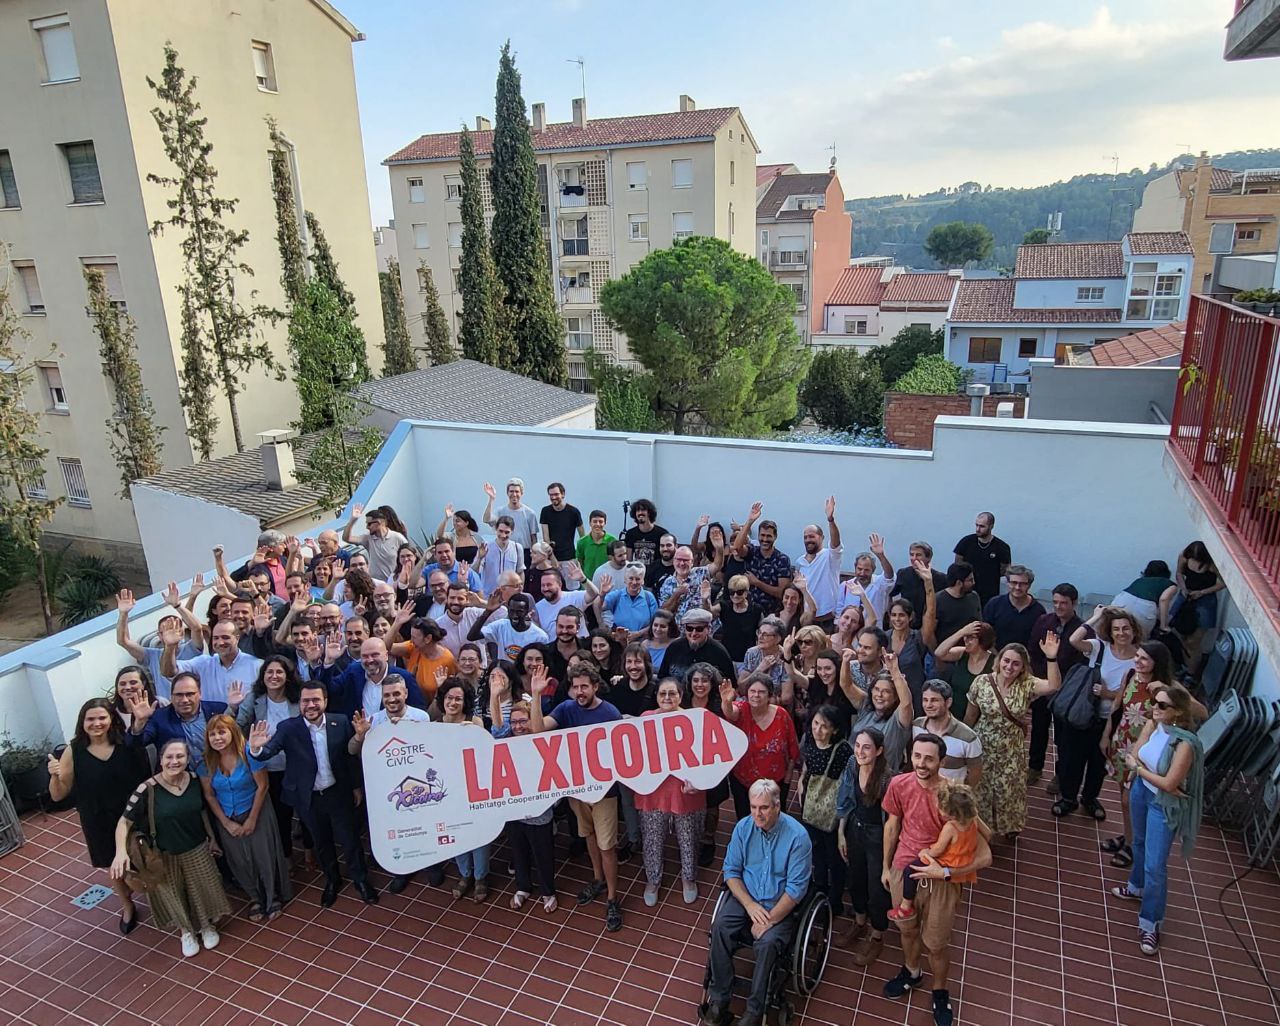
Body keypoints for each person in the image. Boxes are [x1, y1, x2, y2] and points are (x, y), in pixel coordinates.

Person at [881, 734, 993, 1026]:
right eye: (917, 756)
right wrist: (886, 867)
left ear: (942, 762)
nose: (921, 763)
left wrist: (945, 872)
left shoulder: (954, 794)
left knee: (937, 945)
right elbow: (892, 826)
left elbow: (985, 851)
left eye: (929, 758)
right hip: (904, 870)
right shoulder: (898, 784)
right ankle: (912, 972)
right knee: (907, 931)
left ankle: (940, 991)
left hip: (941, 882)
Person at [248, 682, 378, 906]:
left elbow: (350, 758)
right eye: (306, 700)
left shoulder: (341, 721)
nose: (311, 705)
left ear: (325, 702)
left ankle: (361, 880)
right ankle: (332, 881)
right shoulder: (288, 728)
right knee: (321, 843)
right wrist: (257, 748)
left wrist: (356, 785)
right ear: (300, 703)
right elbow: (268, 752)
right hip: (309, 798)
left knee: (350, 841)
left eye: (315, 700)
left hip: (338, 793)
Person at [703, 779, 812, 1026]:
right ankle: (719, 997)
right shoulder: (743, 827)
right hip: (747, 897)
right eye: (753, 807)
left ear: (777, 806)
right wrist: (750, 905)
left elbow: (796, 890)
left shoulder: (798, 838)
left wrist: (770, 919)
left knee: (767, 943)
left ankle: (755, 1009)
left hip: (779, 903)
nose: (757, 814)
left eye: (763, 808)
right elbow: (730, 871)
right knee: (720, 926)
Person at [111, 739, 231, 958]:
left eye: (180, 757)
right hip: (163, 853)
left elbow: (203, 812)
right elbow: (124, 822)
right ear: (161, 760)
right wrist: (120, 852)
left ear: (187, 759)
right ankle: (186, 931)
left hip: (196, 847)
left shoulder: (194, 780)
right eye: (169, 757)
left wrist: (212, 838)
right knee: (172, 892)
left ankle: (206, 926)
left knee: (202, 887)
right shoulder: (146, 790)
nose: (174, 761)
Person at [1111, 682, 1204, 956]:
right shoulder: (1154, 725)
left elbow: (1169, 782)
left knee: (1156, 864)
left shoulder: (1184, 743)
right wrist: (1142, 769)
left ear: (1177, 712)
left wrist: (1140, 769)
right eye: (1155, 703)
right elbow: (1135, 754)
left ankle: (1150, 922)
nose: (1155, 709)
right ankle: (1135, 886)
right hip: (1142, 791)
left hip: (1163, 804)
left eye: (1162, 705)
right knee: (1138, 842)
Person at [531, 664, 625, 932]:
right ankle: (597, 879)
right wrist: (536, 695)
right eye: (575, 687)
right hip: (576, 790)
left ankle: (612, 898)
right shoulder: (565, 708)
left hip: (605, 792)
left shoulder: (610, 713)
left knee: (607, 846)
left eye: (585, 686)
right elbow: (537, 731)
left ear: (595, 686)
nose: (579, 692)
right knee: (589, 836)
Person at [47, 699, 150, 934]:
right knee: (114, 866)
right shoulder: (74, 750)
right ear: (82, 723)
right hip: (98, 819)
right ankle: (127, 905)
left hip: (133, 814)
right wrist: (54, 776)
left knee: (146, 856)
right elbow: (58, 795)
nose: (96, 723)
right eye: (90, 719)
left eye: (101, 718)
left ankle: (157, 895)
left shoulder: (126, 742)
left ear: (111, 719)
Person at [966, 638, 1062, 842]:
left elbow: (1054, 686)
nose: (1009, 666)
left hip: (1011, 749)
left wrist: (1051, 658)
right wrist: (965, 742)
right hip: (983, 745)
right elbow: (971, 715)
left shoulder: (1027, 684)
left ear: (1022, 667)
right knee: (981, 788)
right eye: (1006, 661)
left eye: (1015, 663)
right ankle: (982, 830)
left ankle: (1007, 826)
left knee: (1007, 791)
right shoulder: (982, 682)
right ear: (999, 660)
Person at [200, 715, 291, 921]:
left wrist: (251, 819)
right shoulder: (206, 762)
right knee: (240, 860)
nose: (217, 738)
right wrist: (225, 822)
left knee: (263, 855)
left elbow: (263, 786)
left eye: (222, 732)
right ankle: (255, 897)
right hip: (227, 817)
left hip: (255, 810)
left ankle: (272, 896)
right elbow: (209, 795)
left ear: (233, 732)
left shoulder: (249, 753)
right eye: (212, 734)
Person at [1056, 606, 1141, 819]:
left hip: (1112, 720)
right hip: (1083, 714)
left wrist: (1108, 693)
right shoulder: (1099, 647)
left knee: (1099, 763)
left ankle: (1090, 798)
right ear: (1109, 632)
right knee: (1071, 758)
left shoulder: (1139, 658)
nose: (1121, 633)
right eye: (1116, 629)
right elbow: (1074, 640)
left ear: (1134, 630)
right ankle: (1068, 798)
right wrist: (1096, 617)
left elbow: (1133, 693)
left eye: (1126, 628)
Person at [349, 677, 430, 893]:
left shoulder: (421, 717)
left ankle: (431, 863)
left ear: (405, 694)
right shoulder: (373, 720)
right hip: (385, 787)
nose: (392, 699)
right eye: (387, 695)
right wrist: (359, 736)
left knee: (424, 823)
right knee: (396, 828)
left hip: (417, 783)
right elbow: (351, 750)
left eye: (396, 694)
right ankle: (401, 870)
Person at [637, 678, 704, 905]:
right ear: (656, 696)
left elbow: (706, 757)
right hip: (653, 789)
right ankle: (653, 879)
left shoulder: (694, 719)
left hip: (685, 788)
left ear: (681, 696)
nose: (667, 698)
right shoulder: (645, 719)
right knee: (652, 836)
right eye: (663, 693)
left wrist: (699, 782)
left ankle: (689, 878)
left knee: (688, 836)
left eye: (672, 693)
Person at [490, 699, 559, 913]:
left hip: (540, 812)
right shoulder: (505, 742)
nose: (518, 727)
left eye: (523, 721)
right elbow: (497, 728)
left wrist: (536, 694)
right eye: (514, 722)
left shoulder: (542, 743)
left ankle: (548, 891)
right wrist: (494, 696)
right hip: (514, 811)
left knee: (543, 854)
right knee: (518, 852)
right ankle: (523, 887)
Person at [836, 727, 892, 966]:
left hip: (878, 836)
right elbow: (845, 798)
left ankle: (877, 935)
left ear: (879, 751)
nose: (860, 751)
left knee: (877, 887)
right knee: (855, 878)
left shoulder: (887, 778)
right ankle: (859, 922)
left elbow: (891, 822)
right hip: (855, 829)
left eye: (866, 747)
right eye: (857, 745)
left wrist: (889, 860)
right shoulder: (852, 763)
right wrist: (841, 831)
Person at [888, 781, 982, 924]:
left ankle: (906, 906)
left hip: (946, 860)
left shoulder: (950, 827)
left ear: (951, 811)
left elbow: (938, 849)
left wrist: (925, 852)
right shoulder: (972, 822)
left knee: (909, 871)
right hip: (962, 859)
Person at [1026, 584, 1085, 787]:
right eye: (1056, 602)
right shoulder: (1044, 621)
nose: (1059, 607)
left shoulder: (1082, 628)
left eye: (1064, 603)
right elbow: (1032, 650)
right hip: (1043, 684)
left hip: (1067, 690)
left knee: (1063, 736)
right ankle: (1035, 767)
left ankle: (1060, 775)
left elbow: (1083, 662)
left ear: (1074, 603)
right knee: (1039, 728)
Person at [797, 705, 853, 917]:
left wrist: (842, 824)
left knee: (835, 859)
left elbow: (848, 786)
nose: (818, 730)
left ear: (835, 730)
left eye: (824, 726)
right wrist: (802, 780)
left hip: (832, 815)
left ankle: (835, 900)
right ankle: (819, 894)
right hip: (811, 809)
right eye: (816, 724)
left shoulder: (843, 751)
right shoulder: (810, 741)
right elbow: (807, 765)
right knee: (816, 854)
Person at [721, 673, 800, 821]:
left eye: (761, 692)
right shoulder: (742, 710)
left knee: (773, 821)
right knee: (746, 821)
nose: (756, 695)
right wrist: (726, 701)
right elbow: (730, 713)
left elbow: (792, 748)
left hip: (774, 784)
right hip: (743, 782)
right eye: (752, 691)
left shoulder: (781, 715)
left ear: (769, 695)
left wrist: (788, 781)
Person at [124, 672, 227, 776]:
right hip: (177, 781)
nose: (185, 700)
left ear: (200, 693)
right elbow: (134, 745)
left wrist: (235, 708)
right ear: (171, 696)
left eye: (190, 694)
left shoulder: (218, 710)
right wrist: (140, 723)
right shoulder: (159, 717)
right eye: (179, 695)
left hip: (218, 777)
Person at [839, 640, 914, 772]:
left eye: (886, 691)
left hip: (882, 780)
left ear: (895, 696)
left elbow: (906, 703)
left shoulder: (898, 720)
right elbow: (846, 685)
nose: (879, 695)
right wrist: (845, 662)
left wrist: (894, 671)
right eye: (877, 689)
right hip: (852, 774)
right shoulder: (866, 706)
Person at [685, 663, 732, 866]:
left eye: (704, 680)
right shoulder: (683, 702)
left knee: (711, 803)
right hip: (687, 761)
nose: (700, 684)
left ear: (712, 683)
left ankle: (708, 839)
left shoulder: (718, 705)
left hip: (713, 762)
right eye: (695, 680)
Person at [160, 619, 261, 706]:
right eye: (216, 638)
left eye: (225, 637)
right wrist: (170, 646)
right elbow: (169, 672)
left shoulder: (256, 665)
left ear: (237, 638)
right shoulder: (203, 663)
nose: (220, 642)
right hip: (212, 725)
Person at [886, 558, 938, 715]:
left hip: (914, 697)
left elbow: (930, 613)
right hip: (888, 697)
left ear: (910, 617)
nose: (897, 619)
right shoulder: (884, 637)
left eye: (901, 615)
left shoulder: (918, 638)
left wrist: (928, 583)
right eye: (893, 615)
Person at [1171, 541, 1225, 675]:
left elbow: (1222, 583)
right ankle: (1182, 665)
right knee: (1176, 631)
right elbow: (1179, 574)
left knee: (1194, 641)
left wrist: (1202, 592)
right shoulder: (1184, 556)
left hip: (1205, 599)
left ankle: (1191, 672)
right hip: (1187, 593)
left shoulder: (1212, 564)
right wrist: (1183, 588)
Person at [914, 681, 983, 785]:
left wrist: (959, 795)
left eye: (934, 700)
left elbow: (975, 774)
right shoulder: (916, 726)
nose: (928, 705)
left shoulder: (968, 737)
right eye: (925, 700)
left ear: (948, 702)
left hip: (950, 797)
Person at [731, 503, 793, 614]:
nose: (765, 539)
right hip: (748, 611)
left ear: (775, 537)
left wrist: (756, 582)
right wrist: (749, 521)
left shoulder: (782, 559)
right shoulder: (752, 551)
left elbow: (781, 593)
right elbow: (737, 547)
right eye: (762, 535)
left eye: (769, 536)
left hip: (771, 614)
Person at [930, 621, 995, 721]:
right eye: (965, 636)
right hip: (953, 716)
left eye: (971, 638)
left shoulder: (994, 663)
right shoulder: (962, 653)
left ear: (983, 640)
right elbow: (939, 653)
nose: (966, 640)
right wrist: (961, 632)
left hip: (979, 721)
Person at [794, 496, 843, 628]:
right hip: (807, 619)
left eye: (812, 536)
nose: (808, 540)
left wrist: (830, 520)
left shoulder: (830, 556)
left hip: (828, 619)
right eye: (805, 537)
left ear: (822, 537)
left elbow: (836, 542)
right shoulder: (800, 562)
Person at [931, 563, 981, 675]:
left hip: (970, 656)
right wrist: (938, 659)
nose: (973, 583)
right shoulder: (938, 601)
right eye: (970, 580)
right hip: (945, 657)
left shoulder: (973, 597)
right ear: (959, 583)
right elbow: (929, 634)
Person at [952, 513, 1012, 607]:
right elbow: (957, 565)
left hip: (989, 593)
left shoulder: (1002, 547)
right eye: (976, 525)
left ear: (991, 526)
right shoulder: (966, 542)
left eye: (982, 526)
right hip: (967, 591)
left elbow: (1005, 570)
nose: (978, 529)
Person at [980, 565, 1045, 650]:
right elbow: (985, 635)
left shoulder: (1039, 611)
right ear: (1008, 583)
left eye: (1022, 584)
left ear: (1029, 585)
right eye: (1014, 583)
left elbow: (1038, 642)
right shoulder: (994, 604)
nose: (1018, 587)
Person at [471, 592, 548, 663]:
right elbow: (472, 636)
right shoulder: (500, 626)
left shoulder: (540, 636)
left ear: (527, 611)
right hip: (503, 675)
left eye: (519, 612)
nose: (514, 615)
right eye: (512, 611)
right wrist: (488, 611)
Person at [664, 608, 735, 684]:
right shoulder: (674, 647)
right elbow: (663, 677)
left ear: (708, 629)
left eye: (699, 629)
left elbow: (731, 684)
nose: (694, 633)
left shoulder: (719, 651)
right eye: (689, 628)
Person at [886, 542, 946, 631]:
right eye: (911, 555)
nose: (914, 558)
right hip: (907, 625)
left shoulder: (941, 578)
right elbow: (890, 594)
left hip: (930, 627)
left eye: (918, 555)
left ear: (928, 558)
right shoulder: (903, 574)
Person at [1111, 559, 1178, 639]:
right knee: (1138, 640)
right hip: (1143, 608)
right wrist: (1163, 626)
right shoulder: (1170, 585)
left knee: (1115, 635)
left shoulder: (1139, 580)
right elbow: (1164, 600)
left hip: (1120, 601)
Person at [342, 503, 409, 581]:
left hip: (395, 582)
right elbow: (346, 538)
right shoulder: (368, 538)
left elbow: (410, 556)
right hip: (376, 584)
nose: (367, 527)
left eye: (369, 524)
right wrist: (353, 520)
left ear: (379, 523)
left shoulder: (398, 537)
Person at [837, 535, 894, 623]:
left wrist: (881, 556)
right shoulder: (845, 586)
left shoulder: (880, 583)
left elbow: (889, 576)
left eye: (867, 570)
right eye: (859, 569)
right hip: (850, 632)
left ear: (873, 570)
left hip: (873, 632)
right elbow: (839, 613)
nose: (862, 573)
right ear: (855, 568)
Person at [713, 573, 763, 665]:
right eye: (732, 592)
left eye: (739, 592)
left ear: (746, 592)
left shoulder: (756, 610)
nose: (735, 595)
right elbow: (709, 613)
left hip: (747, 660)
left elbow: (763, 632)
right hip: (727, 658)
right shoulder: (724, 606)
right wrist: (705, 599)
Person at [598, 563, 659, 638]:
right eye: (631, 578)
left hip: (642, 643)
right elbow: (600, 607)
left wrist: (638, 634)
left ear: (643, 581)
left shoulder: (649, 597)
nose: (634, 582)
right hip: (620, 641)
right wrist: (602, 595)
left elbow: (655, 623)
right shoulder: (617, 596)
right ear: (625, 579)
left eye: (637, 579)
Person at [478, 514, 525, 597]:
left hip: (509, 597)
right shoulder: (486, 547)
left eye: (507, 532)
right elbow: (475, 571)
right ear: (496, 530)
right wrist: (479, 558)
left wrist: (519, 591)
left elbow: (520, 571)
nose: (503, 535)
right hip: (489, 596)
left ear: (512, 532)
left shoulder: (517, 548)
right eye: (500, 531)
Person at [540, 481, 585, 562]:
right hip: (551, 558)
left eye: (556, 494)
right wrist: (552, 558)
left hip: (570, 558)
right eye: (551, 495)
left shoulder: (574, 512)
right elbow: (546, 538)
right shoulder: (545, 511)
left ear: (563, 494)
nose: (553, 497)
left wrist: (580, 558)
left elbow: (582, 537)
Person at [622, 498, 667, 579]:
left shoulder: (662, 533)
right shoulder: (630, 534)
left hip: (656, 576)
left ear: (649, 512)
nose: (640, 513)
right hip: (637, 576)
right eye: (637, 511)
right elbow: (628, 559)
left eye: (643, 510)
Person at [575, 509, 615, 581]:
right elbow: (579, 563)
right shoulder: (581, 542)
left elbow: (615, 562)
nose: (598, 524)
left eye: (601, 522)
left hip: (607, 580)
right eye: (595, 521)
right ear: (590, 523)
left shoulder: (612, 540)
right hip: (588, 582)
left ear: (605, 523)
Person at [644, 609, 678, 675]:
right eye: (655, 625)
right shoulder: (645, 645)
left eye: (663, 626)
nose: (658, 629)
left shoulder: (676, 645)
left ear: (670, 628)